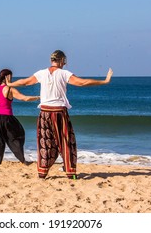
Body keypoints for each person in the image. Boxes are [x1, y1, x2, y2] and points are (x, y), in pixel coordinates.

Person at [6, 50, 113, 179]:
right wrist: (104, 81)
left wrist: (10, 84)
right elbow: (82, 82)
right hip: (59, 112)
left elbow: (25, 82)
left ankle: (42, 173)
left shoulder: (42, 73)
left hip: (44, 113)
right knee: (67, 142)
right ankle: (71, 173)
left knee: (45, 143)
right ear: (62, 60)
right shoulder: (64, 73)